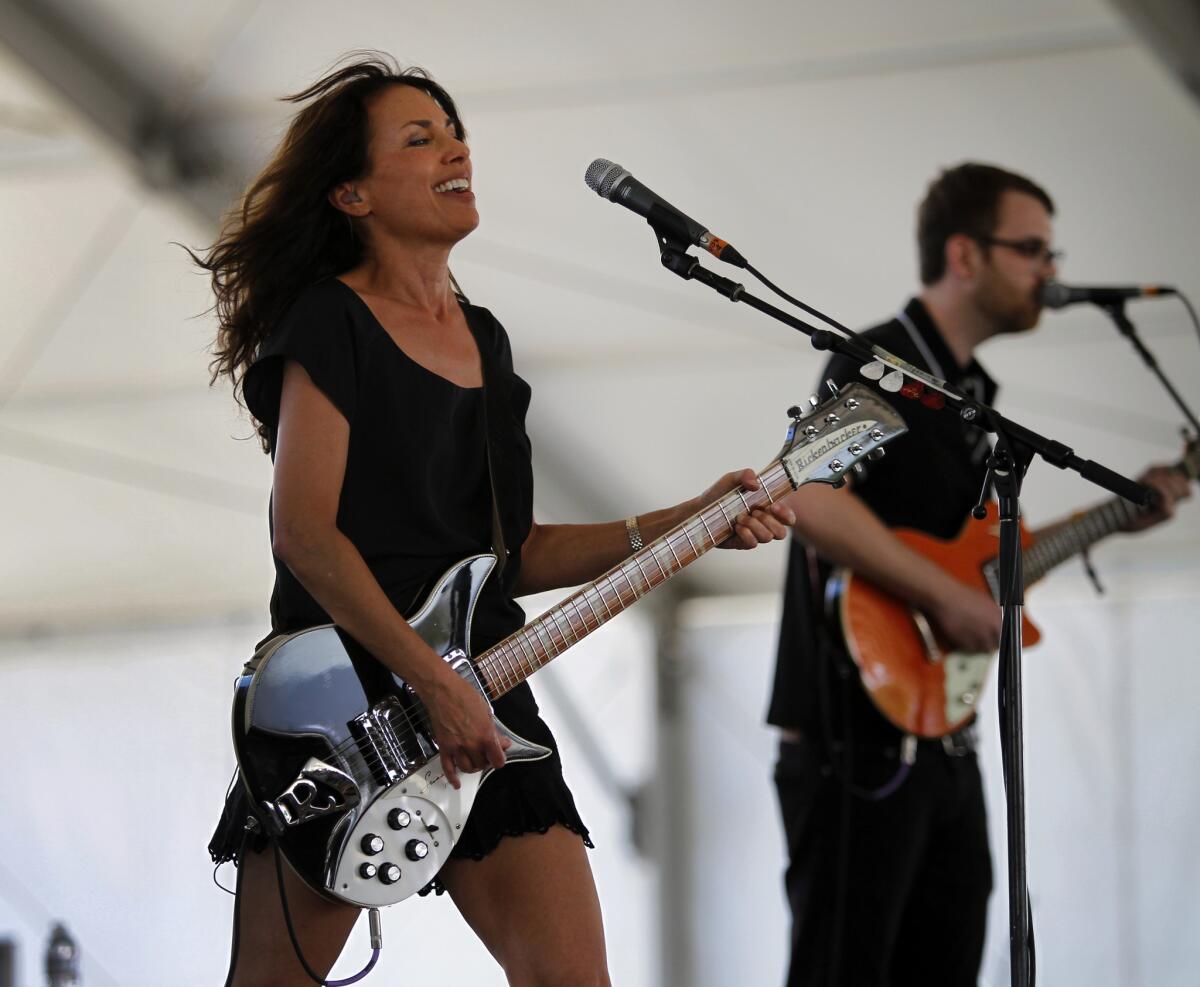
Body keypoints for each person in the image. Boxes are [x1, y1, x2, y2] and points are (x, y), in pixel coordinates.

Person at [197, 55, 796, 987]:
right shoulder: (328, 322)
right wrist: (428, 682)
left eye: (454, 129)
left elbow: (508, 557)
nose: (456, 147)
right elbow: (305, 534)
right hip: (344, 705)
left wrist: (693, 520)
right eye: (419, 137)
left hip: (483, 692)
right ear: (351, 194)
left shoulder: (488, 340)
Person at [767, 162, 1191, 986]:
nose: (1050, 273)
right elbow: (808, 496)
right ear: (965, 254)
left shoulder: (972, 392)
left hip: (940, 733)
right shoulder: (880, 363)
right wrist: (941, 598)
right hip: (857, 739)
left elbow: (977, 565)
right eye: (1032, 250)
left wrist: (1114, 516)